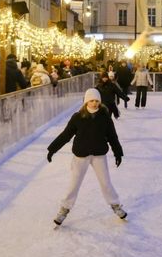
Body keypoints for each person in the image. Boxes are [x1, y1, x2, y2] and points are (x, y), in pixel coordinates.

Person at [46, 88, 126, 226]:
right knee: (74, 184)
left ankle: (116, 205)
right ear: (86, 101)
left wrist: (118, 152)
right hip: (81, 155)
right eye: (91, 100)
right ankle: (64, 209)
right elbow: (66, 135)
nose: (94, 103)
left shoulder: (105, 117)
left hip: (99, 154)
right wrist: (52, 149)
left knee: (106, 183)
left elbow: (112, 137)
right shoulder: (78, 117)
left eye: (96, 101)